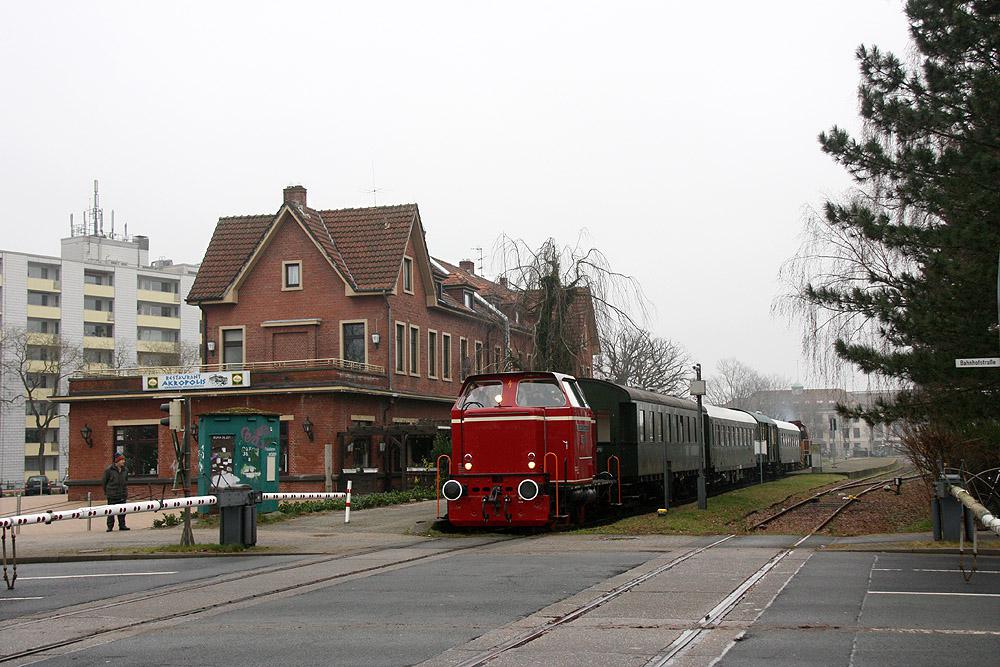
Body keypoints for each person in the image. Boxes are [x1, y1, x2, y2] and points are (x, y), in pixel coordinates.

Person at [102, 453, 130, 532]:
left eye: (124, 460)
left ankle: (122, 525)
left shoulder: (125, 470)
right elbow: (104, 482)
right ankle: (110, 526)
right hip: (112, 495)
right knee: (111, 512)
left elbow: (126, 481)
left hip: (122, 494)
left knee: (122, 511)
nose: (123, 461)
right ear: (117, 461)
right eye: (122, 460)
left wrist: (125, 492)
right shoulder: (109, 470)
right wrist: (107, 492)